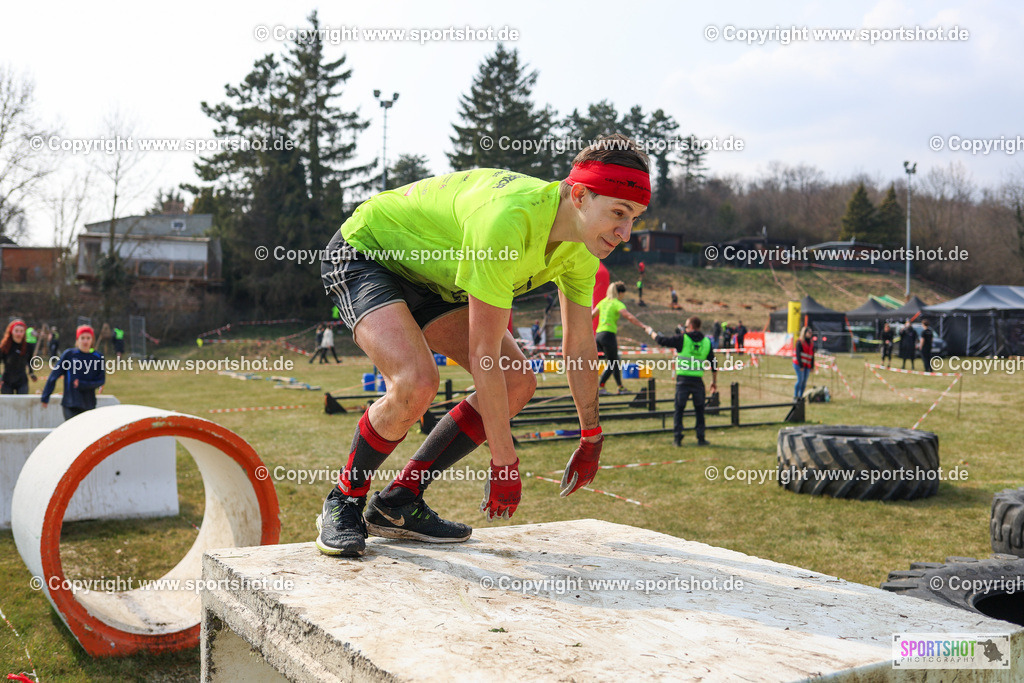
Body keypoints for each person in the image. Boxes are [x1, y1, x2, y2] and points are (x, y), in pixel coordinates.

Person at [314, 134, 650, 557]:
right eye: (619, 212)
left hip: (436, 274)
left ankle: (398, 504)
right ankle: (344, 497)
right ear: (580, 195)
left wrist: (591, 435)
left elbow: (581, 347)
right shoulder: (507, 221)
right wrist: (504, 461)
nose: (625, 232)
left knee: (517, 382)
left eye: (635, 217)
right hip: (370, 251)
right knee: (416, 382)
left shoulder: (582, 250)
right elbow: (483, 354)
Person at [646, 317, 717, 447]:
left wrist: (650, 331)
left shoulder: (683, 338)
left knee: (679, 410)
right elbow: (713, 363)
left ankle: (677, 438)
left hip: (683, 381)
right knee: (700, 411)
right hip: (698, 381)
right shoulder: (707, 342)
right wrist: (714, 382)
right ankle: (701, 438)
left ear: (690, 326)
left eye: (686, 326)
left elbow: (662, 340)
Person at [592, 281, 646, 395]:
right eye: (623, 294)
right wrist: (643, 326)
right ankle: (600, 387)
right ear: (620, 293)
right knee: (613, 363)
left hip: (599, 335)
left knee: (615, 360)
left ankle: (620, 387)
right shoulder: (616, 303)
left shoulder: (603, 302)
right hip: (608, 335)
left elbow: (591, 315)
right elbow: (629, 317)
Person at [41, 325, 106, 420]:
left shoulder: (98, 357)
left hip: (89, 404)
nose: (85, 341)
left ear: (92, 340)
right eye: (82, 338)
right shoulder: (69, 355)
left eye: (88, 338)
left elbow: (101, 380)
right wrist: (45, 396)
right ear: (77, 339)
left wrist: (82, 384)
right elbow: (53, 376)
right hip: (70, 403)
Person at [0, 319, 38, 394]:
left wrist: (31, 373)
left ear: (24, 332)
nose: (19, 334)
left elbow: (30, 361)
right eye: (16, 331)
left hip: (22, 381)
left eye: (21, 331)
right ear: (11, 331)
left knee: (22, 404)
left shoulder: (28, 346)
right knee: (7, 404)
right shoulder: (4, 346)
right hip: (7, 381)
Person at [793, 326, 814, 401]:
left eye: (811, 333)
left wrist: (812, 366)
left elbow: (812, 355)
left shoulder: (811, 343)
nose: (810, 334)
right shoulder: (799, 342)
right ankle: (795, 396)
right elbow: (798, 354)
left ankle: (800, 396)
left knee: (804, 382)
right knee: (800, 380)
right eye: (809, 332)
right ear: (804, 333)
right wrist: (801, 365)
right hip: (799, 365)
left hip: (807, 366)